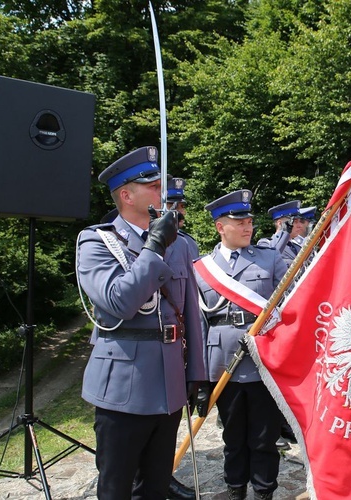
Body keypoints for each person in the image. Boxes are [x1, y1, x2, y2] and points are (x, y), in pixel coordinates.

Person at [76, 146, 206, 500]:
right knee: (118, 487)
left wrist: (196, 372)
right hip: (124, 386)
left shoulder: (177, 244)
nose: (161, 193)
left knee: (156, 485)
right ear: (126, 194)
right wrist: (153, 247)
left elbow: (189, 314)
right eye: (152, 185)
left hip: (169, 384)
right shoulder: (97, 241)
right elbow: (120, 301)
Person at [195, 190, 287, 500]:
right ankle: (235, 487)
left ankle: (263, 490)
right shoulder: (201, 268)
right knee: (232, 434)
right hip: (222, 362)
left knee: (264, 435)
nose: (248, 228)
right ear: (220, 227)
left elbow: (288, 308)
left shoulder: (270, 257)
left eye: (249, 221)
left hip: (264, 360)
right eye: (240, 223)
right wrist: (198, 377)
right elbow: (197, 325)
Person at [258, 200, 302, 266]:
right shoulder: (265, 244)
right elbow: (272, 259)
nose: (299, 226)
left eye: (299, 221)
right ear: (280, 223)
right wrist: (284, 233)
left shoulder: (297, 247)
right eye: (294, 221)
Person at [167, 176, 200, 259]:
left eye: (182, 206)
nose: (182, 212)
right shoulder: (147, 239)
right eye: (173, 206)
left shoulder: (190, 242)